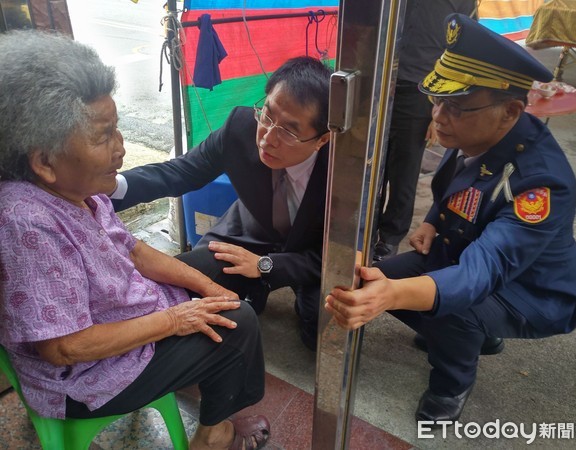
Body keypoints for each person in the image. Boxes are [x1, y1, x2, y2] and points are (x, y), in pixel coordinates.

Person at [0, 30, 270, 450]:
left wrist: (207, 287)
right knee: (238, 325)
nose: (120, 149)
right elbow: (64, 348)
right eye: (102, 136)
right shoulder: (26, 224)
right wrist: (175, 320)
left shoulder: (81, 189)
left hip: (117, 313)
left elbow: (133, 249)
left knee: (216, 263)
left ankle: (209, 378)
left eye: (117, 128)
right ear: (44, 162)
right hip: (85, 378)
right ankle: (214, 434)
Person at [325, 14, 576, 424]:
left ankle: (453, 382)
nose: (439, 116)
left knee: (447, 308)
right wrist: (432, 220)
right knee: (373, 279)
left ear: (511, 110)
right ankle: (475, 336)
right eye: (437, 100)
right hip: (463, 249)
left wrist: (395, 294)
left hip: (534, 290)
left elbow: (483, 271)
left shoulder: (541, 186)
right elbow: (457, 177)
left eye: (456, 106)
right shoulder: (473, 129)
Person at [111, 57, 332, 351]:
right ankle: (254, 288)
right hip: (253, 230)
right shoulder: (240, 128)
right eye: (267, 115)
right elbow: (180, 172)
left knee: (323, 330)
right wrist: (107, 188)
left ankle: (267, 283)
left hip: (314, 252)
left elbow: (343, 255)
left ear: (322, 139)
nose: (268, 138)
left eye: (289, 131)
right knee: (185, 284)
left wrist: (266, 266)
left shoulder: (346, 171)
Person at [373, 0, 477, 262]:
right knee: (371, 164)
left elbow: (463, 54)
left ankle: (389, 238)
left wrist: (439, 106)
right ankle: (365, 227)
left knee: (403, 171)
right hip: (378, 79)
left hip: (421, 90)